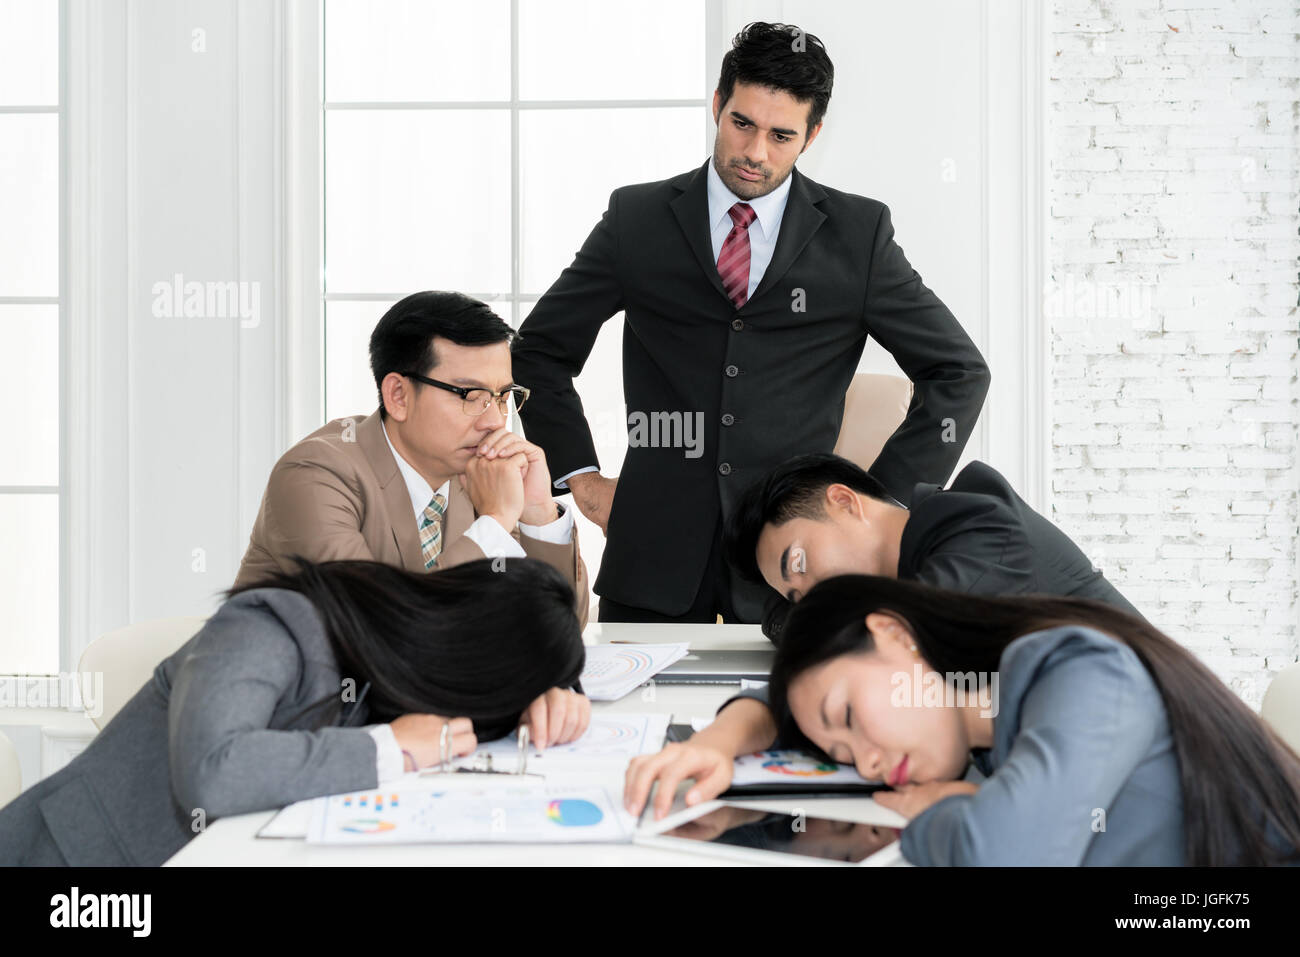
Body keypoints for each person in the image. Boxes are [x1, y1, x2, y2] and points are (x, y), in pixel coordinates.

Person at [511, 22, 989, 625]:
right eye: (742, 123)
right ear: (717, 106)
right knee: (632, 717)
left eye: (781, 134)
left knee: (789, 720)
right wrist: (577, 474)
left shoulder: (858, 236)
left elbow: (960, 371)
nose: (756, 152)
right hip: (652, 556)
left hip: (795, 570)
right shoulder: (637, 219)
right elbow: (538, 351)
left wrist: (880, 501)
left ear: (813, 135)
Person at [623, 452, 1144, 816]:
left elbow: (853, 682)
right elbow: (814, 677)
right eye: (793, 594)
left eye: (797, 561)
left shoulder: (977, 527)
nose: (806, 592)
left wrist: (725, 738)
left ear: (846, 502)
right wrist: (719, 743)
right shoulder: (893, 597)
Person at [0, 558, 589, 866]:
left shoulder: (390, 675)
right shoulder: (274, 624)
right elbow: (213, 773)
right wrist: (391, 748)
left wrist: (559, 696)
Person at [765, 575, 1300, 865]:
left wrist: (941, 815)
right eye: (842, 757)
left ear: (894, 633)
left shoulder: (1080, 667)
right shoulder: (991, 755)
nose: (868, 761)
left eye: (850, 716)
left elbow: (1004, 855)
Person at [234, 291, 590, 630]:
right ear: (398, 395)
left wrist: (538, 513)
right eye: (471, 395)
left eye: (502, 396)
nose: (496, 421)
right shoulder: (314, 475)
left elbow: (560, 626)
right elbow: (377, 627)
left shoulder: (480, 474)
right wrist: (495, 523)